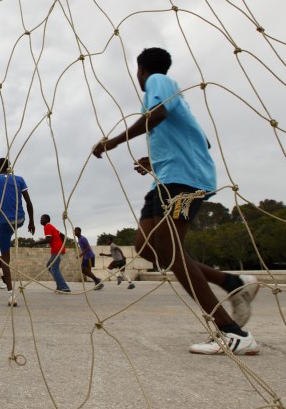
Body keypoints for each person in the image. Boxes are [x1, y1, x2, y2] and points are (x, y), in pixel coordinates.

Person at [92, 47, 259, 355]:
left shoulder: (158, 80)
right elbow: (202, 140)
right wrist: (154, 161)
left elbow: (156, 115)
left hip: (184, 182)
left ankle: (232, 332)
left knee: (171, 249)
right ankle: (232, 281)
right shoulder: (177, 101)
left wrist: (112, 142)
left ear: (141, 69)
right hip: (168, 179)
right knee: (145, 245)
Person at [0, 157, 35, 307]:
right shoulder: (19, 179)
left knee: (5, 260)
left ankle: (11, 294)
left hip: (5, 222)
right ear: (10, 167)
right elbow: (29, 203)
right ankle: (10, 291)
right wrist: (31, 221)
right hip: (21, 219)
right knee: (11, 232)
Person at [34, 214, 70, 293]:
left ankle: (64, 287)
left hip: (56, 250)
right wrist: (61, 244)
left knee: (54, 268)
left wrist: (36, 243)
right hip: (58, 249)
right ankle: (60, 284)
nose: (40, 220)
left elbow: (49, 239)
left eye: (41, 218)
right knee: (49, 266)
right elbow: (62, 235)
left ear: (46, 219)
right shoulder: (51, 227)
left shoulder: (47, 226)